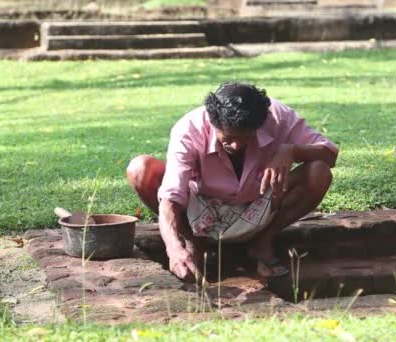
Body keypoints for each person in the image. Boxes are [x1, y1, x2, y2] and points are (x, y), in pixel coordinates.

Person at [127, 82, 338, 280]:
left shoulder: (278, 116)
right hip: (200, 207)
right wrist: (173, 248)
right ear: (212, 121)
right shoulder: (188, 129)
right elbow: (170, 198)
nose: (236, 146)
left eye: (245, 137)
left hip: (260, 203)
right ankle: (194, 243)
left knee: (319, 171)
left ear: (260, 123)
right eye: (228, 137)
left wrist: (292, 151)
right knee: (140, 169)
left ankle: (263, 241)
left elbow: (330, 154)